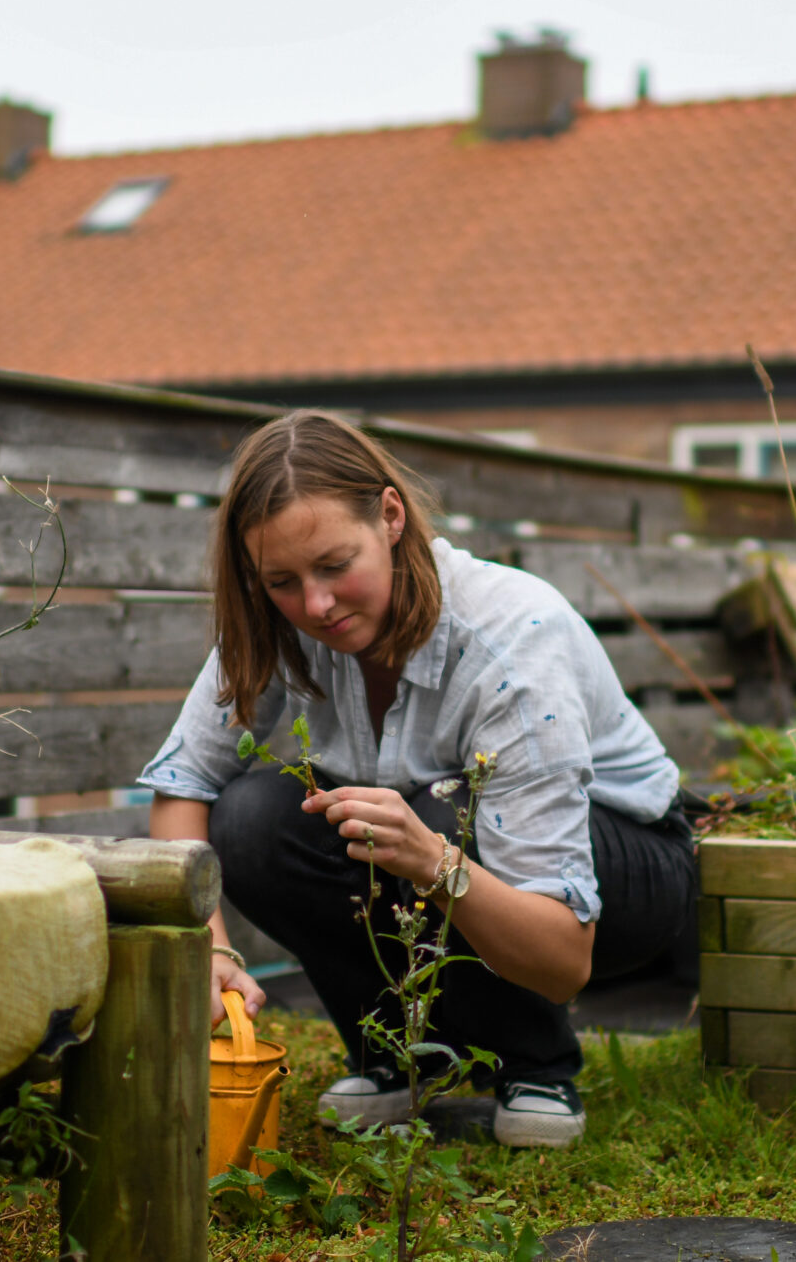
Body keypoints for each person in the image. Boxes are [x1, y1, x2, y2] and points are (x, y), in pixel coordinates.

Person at [140, 410, 697, 1148]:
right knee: (250, 819)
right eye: (282, 580)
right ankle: (396, 1055)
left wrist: (435, 861)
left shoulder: (511, 645)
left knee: (438, 813)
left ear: (391, 516)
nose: (315, 605)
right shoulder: (283, 622)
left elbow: (566, 959)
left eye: (336, 565)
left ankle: (534, 1063)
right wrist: (210, 951)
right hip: (442, 839)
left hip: (621, 876)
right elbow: (185, 785)